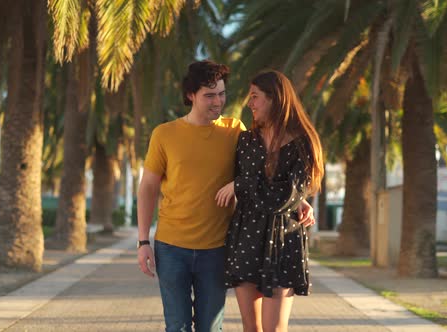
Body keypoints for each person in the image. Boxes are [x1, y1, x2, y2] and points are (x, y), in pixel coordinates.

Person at [137, 61, 315, 332]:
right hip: (171, 247)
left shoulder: (236, 132)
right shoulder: (165, 134)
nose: (218, 101)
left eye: (221, 94)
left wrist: (298, 200)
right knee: (177, 327)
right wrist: (142, 241)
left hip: (218, 248)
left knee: (211, 328)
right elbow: (148, 187)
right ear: (190, 96)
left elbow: (263, 170)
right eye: (209, 95)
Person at [215, 70, 323, 332]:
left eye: (255, 97)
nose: (249, 104)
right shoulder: (246, 141)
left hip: (283, 242)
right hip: (246, 238)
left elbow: (284, 197)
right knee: (251, 329)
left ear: (275, 98)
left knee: (274, 329)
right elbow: (268, 192)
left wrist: (240, 185)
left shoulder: (303, 143)